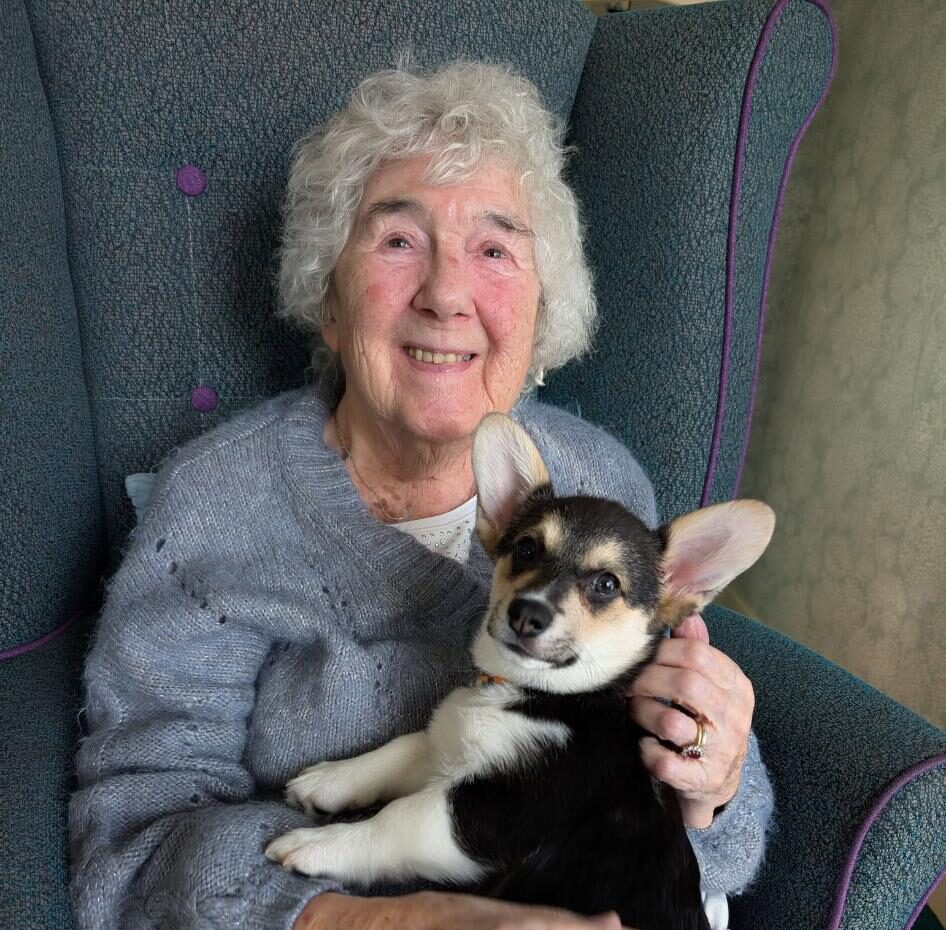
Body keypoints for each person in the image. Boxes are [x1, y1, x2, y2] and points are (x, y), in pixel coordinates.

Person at [69, 61, 772, 930]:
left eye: (495, 249)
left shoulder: (604, 482)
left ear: (543, 310)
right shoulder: (214, 505)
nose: (445, 294)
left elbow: (706, 846)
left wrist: (711, 772)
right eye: (398, 240)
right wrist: (374, 920)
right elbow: (132, 842)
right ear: (329, 295)